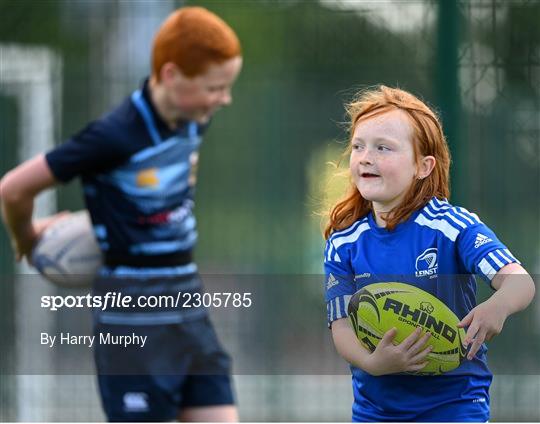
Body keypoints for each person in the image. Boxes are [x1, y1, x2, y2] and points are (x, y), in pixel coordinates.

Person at [0, 6, 242, 422]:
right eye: (214, 88)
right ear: (170, 75)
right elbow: (14, 187)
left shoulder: (192, 118)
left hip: (188, 306)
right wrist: (26, 237)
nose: (224, 98)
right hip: (133, 318)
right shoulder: (114, 136)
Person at [323, 86, 535, 422]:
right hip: (375, 412)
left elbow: (520, 283)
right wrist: (374, 363)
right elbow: (342, 327)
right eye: (358, 146)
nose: (365, 156)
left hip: (455, 406)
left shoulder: (451, 227)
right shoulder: (343, 242)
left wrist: (498, 306)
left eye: (383, 148)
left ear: (423, 166)